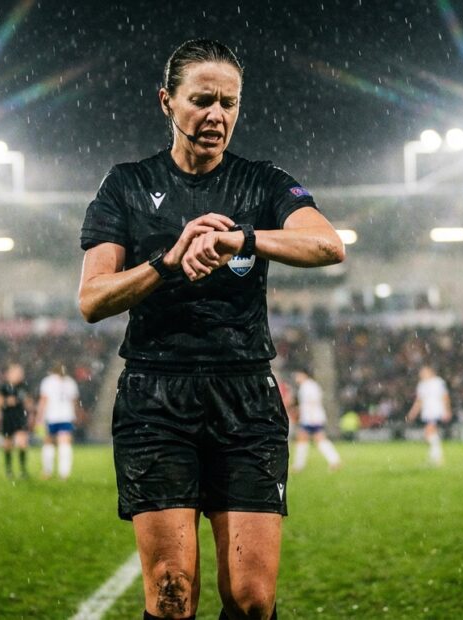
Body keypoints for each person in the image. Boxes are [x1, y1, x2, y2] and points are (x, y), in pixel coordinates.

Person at [78, 38, 344, 620]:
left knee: (252, 600)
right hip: (155, 397)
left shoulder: (263, 182)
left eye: (230, 103)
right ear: (166, 103)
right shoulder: (124, 185)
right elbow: (92, 299)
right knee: (172, 594)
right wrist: (166, 261)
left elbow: (328, 244)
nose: (216, 116)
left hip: (246, 398)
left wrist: (239, 238)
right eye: (202, 100)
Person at [291, 369, 341, 472]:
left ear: (303, 375)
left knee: (306, 439)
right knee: (316, 440)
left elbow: (312, 402)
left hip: (311, 418)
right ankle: (334, 461)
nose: (296, 378)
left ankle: (299, 465)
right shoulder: (310, 385)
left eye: (298, 375)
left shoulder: (307, 386)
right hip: (313, 417)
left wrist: (307, 416)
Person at [37, 363, 80, 480]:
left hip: (51, 416)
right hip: (66, 416)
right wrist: (76, 415)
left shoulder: (48, 381)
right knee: (64, 444)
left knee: (48, 443)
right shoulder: (71, 382)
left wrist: (39, 417)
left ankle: (47, 471)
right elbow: (74, 402)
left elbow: (43, 400)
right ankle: (64, 473)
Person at [406, 365, 451, 466]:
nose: (421, 374)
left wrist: (447, 410)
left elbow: (445, 396)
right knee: (430, 434)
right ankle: (435, 457)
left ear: (430, 372)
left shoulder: (438, 382)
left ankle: (437, 457)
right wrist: (412, 413)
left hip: (436, 410)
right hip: (426, 412)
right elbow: (419, 401)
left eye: (424, 372)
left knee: (428, 433)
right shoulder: (421, 385)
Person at [0, 364, 33, 479]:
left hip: (20, 418)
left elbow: (30, 404)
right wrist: (7, 402)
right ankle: (9, 470)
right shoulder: (3, 387)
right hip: (8, 418)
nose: (19, 375)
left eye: (20, 373)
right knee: (7, 445)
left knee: (22, 444)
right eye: (17, 373)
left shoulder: (24, 386)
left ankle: (23, 471)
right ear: (9, 374)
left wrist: (28, 404)